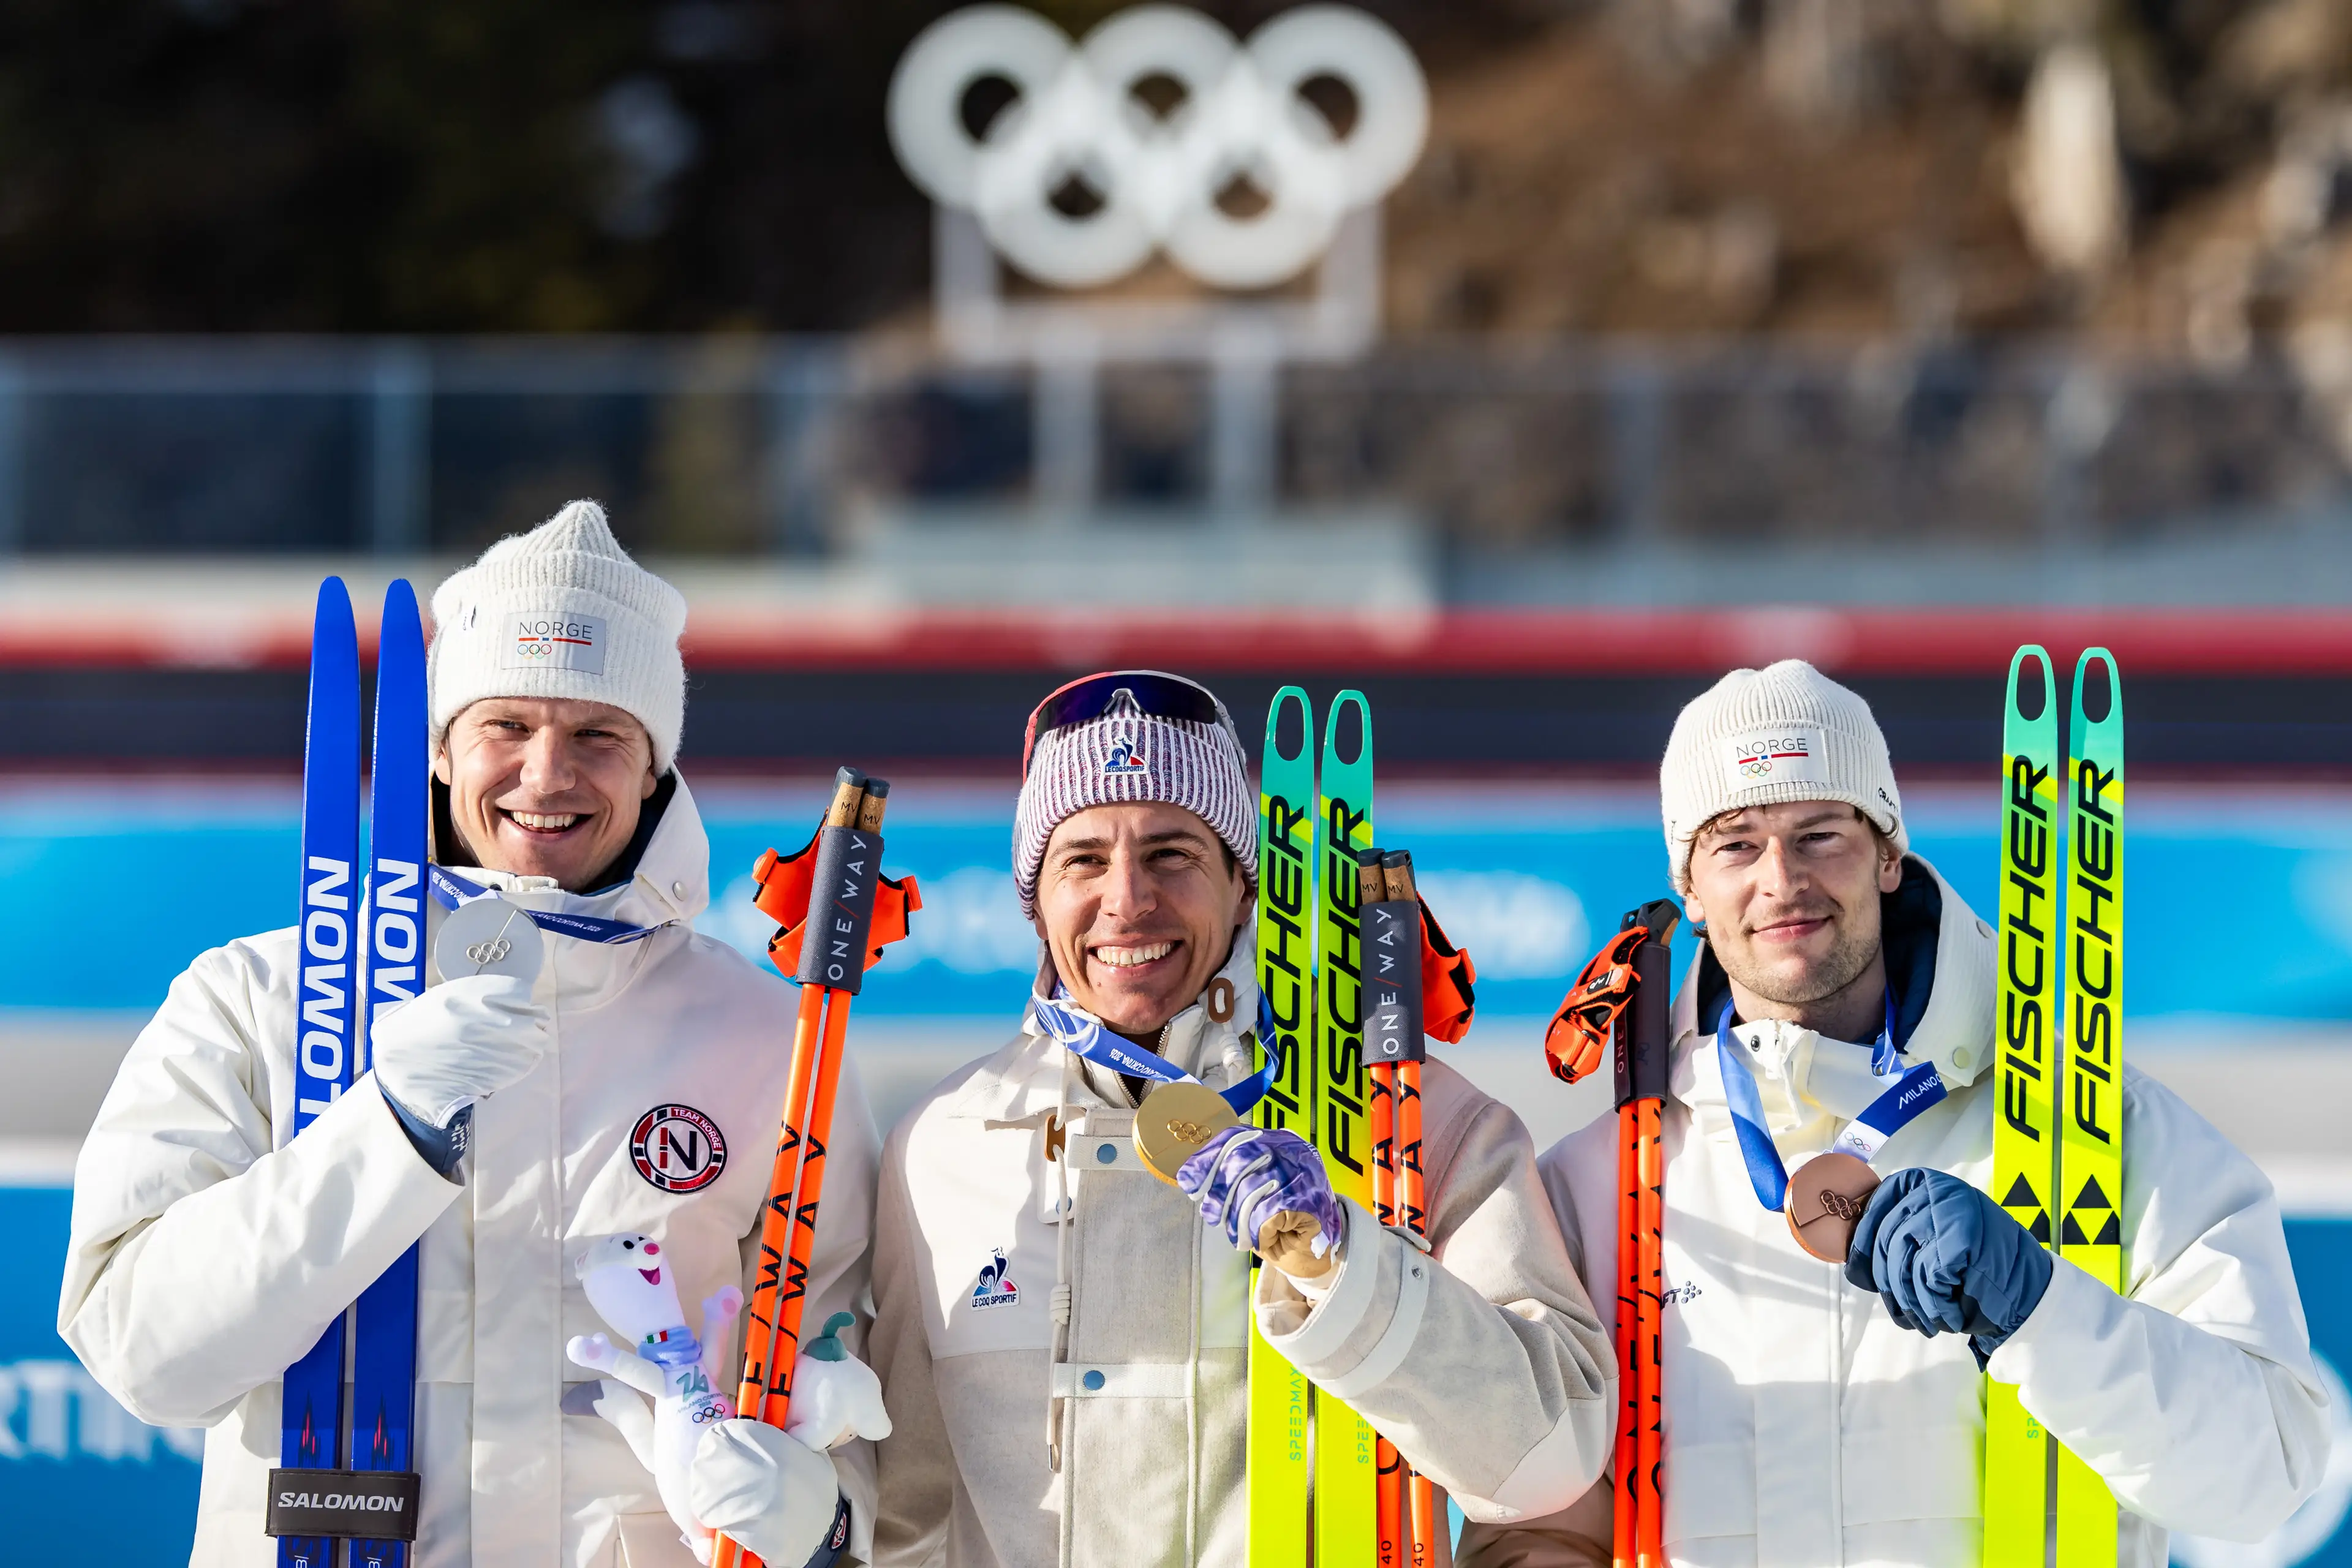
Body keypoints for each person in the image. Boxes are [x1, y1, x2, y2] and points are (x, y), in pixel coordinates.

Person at [60, 502, 881, 1568]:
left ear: (654, 769)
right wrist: (387, 1131)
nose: (547, 776)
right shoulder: (255, 998)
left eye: (599, 734)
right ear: (441, 754)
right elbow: (147, 1357)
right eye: (507, 728)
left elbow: (845, 1367)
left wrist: (816, 1517)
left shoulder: (767, 1037)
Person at [1463, 660, 2331, 1566]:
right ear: (1689, 888)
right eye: (1735, 844)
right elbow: (1540, 1522)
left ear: (1888, 853)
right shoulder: (1600, 1187)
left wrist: (2043, 1311)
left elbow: (2266, 1471)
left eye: (1819, 834)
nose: (1780, 879)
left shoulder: (2096, 1128)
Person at [865, 670, 1616, 1567]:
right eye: (1084, 858)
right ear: (1035, 897)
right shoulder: (943, 1149)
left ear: (1241, 881)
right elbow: (904, 1520)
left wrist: (1347, 1269)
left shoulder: (1414, 1120)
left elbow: (1551, 1461)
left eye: (1173, 852)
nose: (1128, 898)